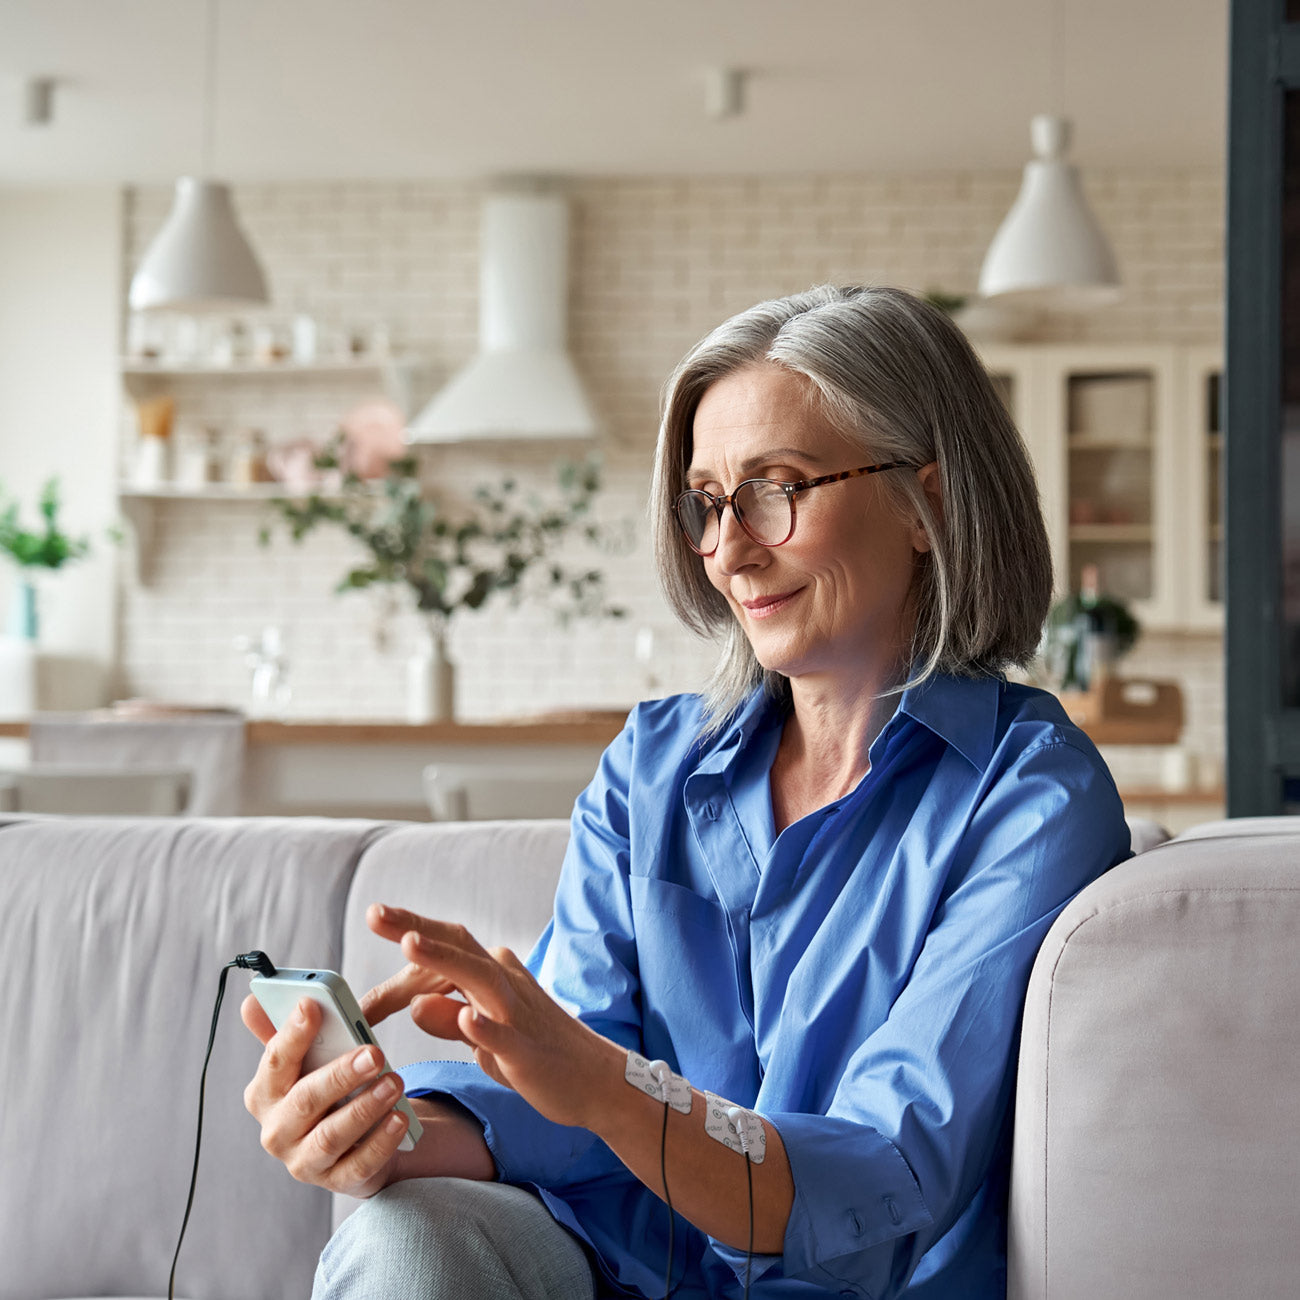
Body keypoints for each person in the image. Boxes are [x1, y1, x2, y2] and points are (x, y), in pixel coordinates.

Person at [242, 284, 1130, 1299]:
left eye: (775, 487)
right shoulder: (652, 764)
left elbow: (885, 1179)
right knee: (402, 1232)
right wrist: (379, 1132)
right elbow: (564, 1094)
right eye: (707, 501)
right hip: (616, 1273)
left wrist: (603, 1086)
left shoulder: (1027, 796)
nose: (727, 548)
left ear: (923, 503)